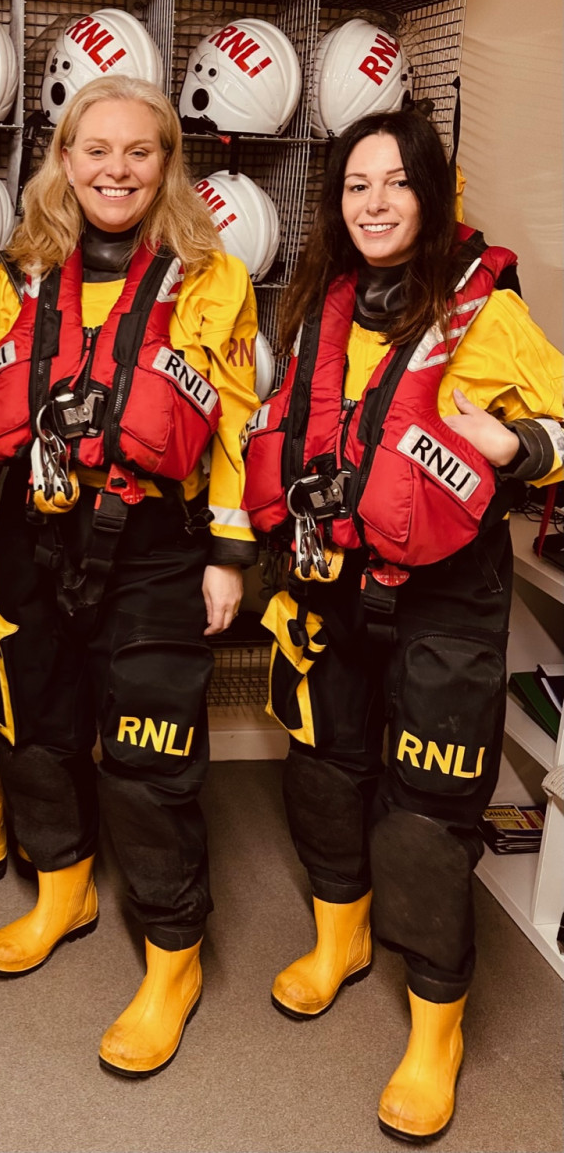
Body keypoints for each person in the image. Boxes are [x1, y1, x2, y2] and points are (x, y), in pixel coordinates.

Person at [243, 107, 563, 1141]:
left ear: (430, 196)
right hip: (325, 581)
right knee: (324, 769)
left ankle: (436, 1023)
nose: (375, 202)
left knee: (427, 812)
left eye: (395, 183)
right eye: (355, 186)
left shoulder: (487, 317)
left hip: (445, 594)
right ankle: (339, 940)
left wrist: (515, 446)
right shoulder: (315, 309)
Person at [0, 75, 259, 1078]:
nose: (115, 171)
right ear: (63, 158)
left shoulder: (213, 279)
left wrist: (227, 554)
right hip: (30, 538)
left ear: (166, 163)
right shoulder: (17, 274)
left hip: (155, 549)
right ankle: (65, 887)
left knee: (148, 756)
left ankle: (173, 957)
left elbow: (239, 426)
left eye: (139, 151)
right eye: (95, 149)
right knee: (35, 730)